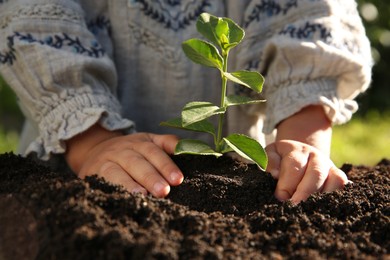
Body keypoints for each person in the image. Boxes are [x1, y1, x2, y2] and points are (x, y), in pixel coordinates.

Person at [0, 0, 372, 204]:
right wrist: (92, 142)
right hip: (71, 166)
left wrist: (303, 144)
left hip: (242, 181)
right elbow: (34, 24)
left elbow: (309, 19)